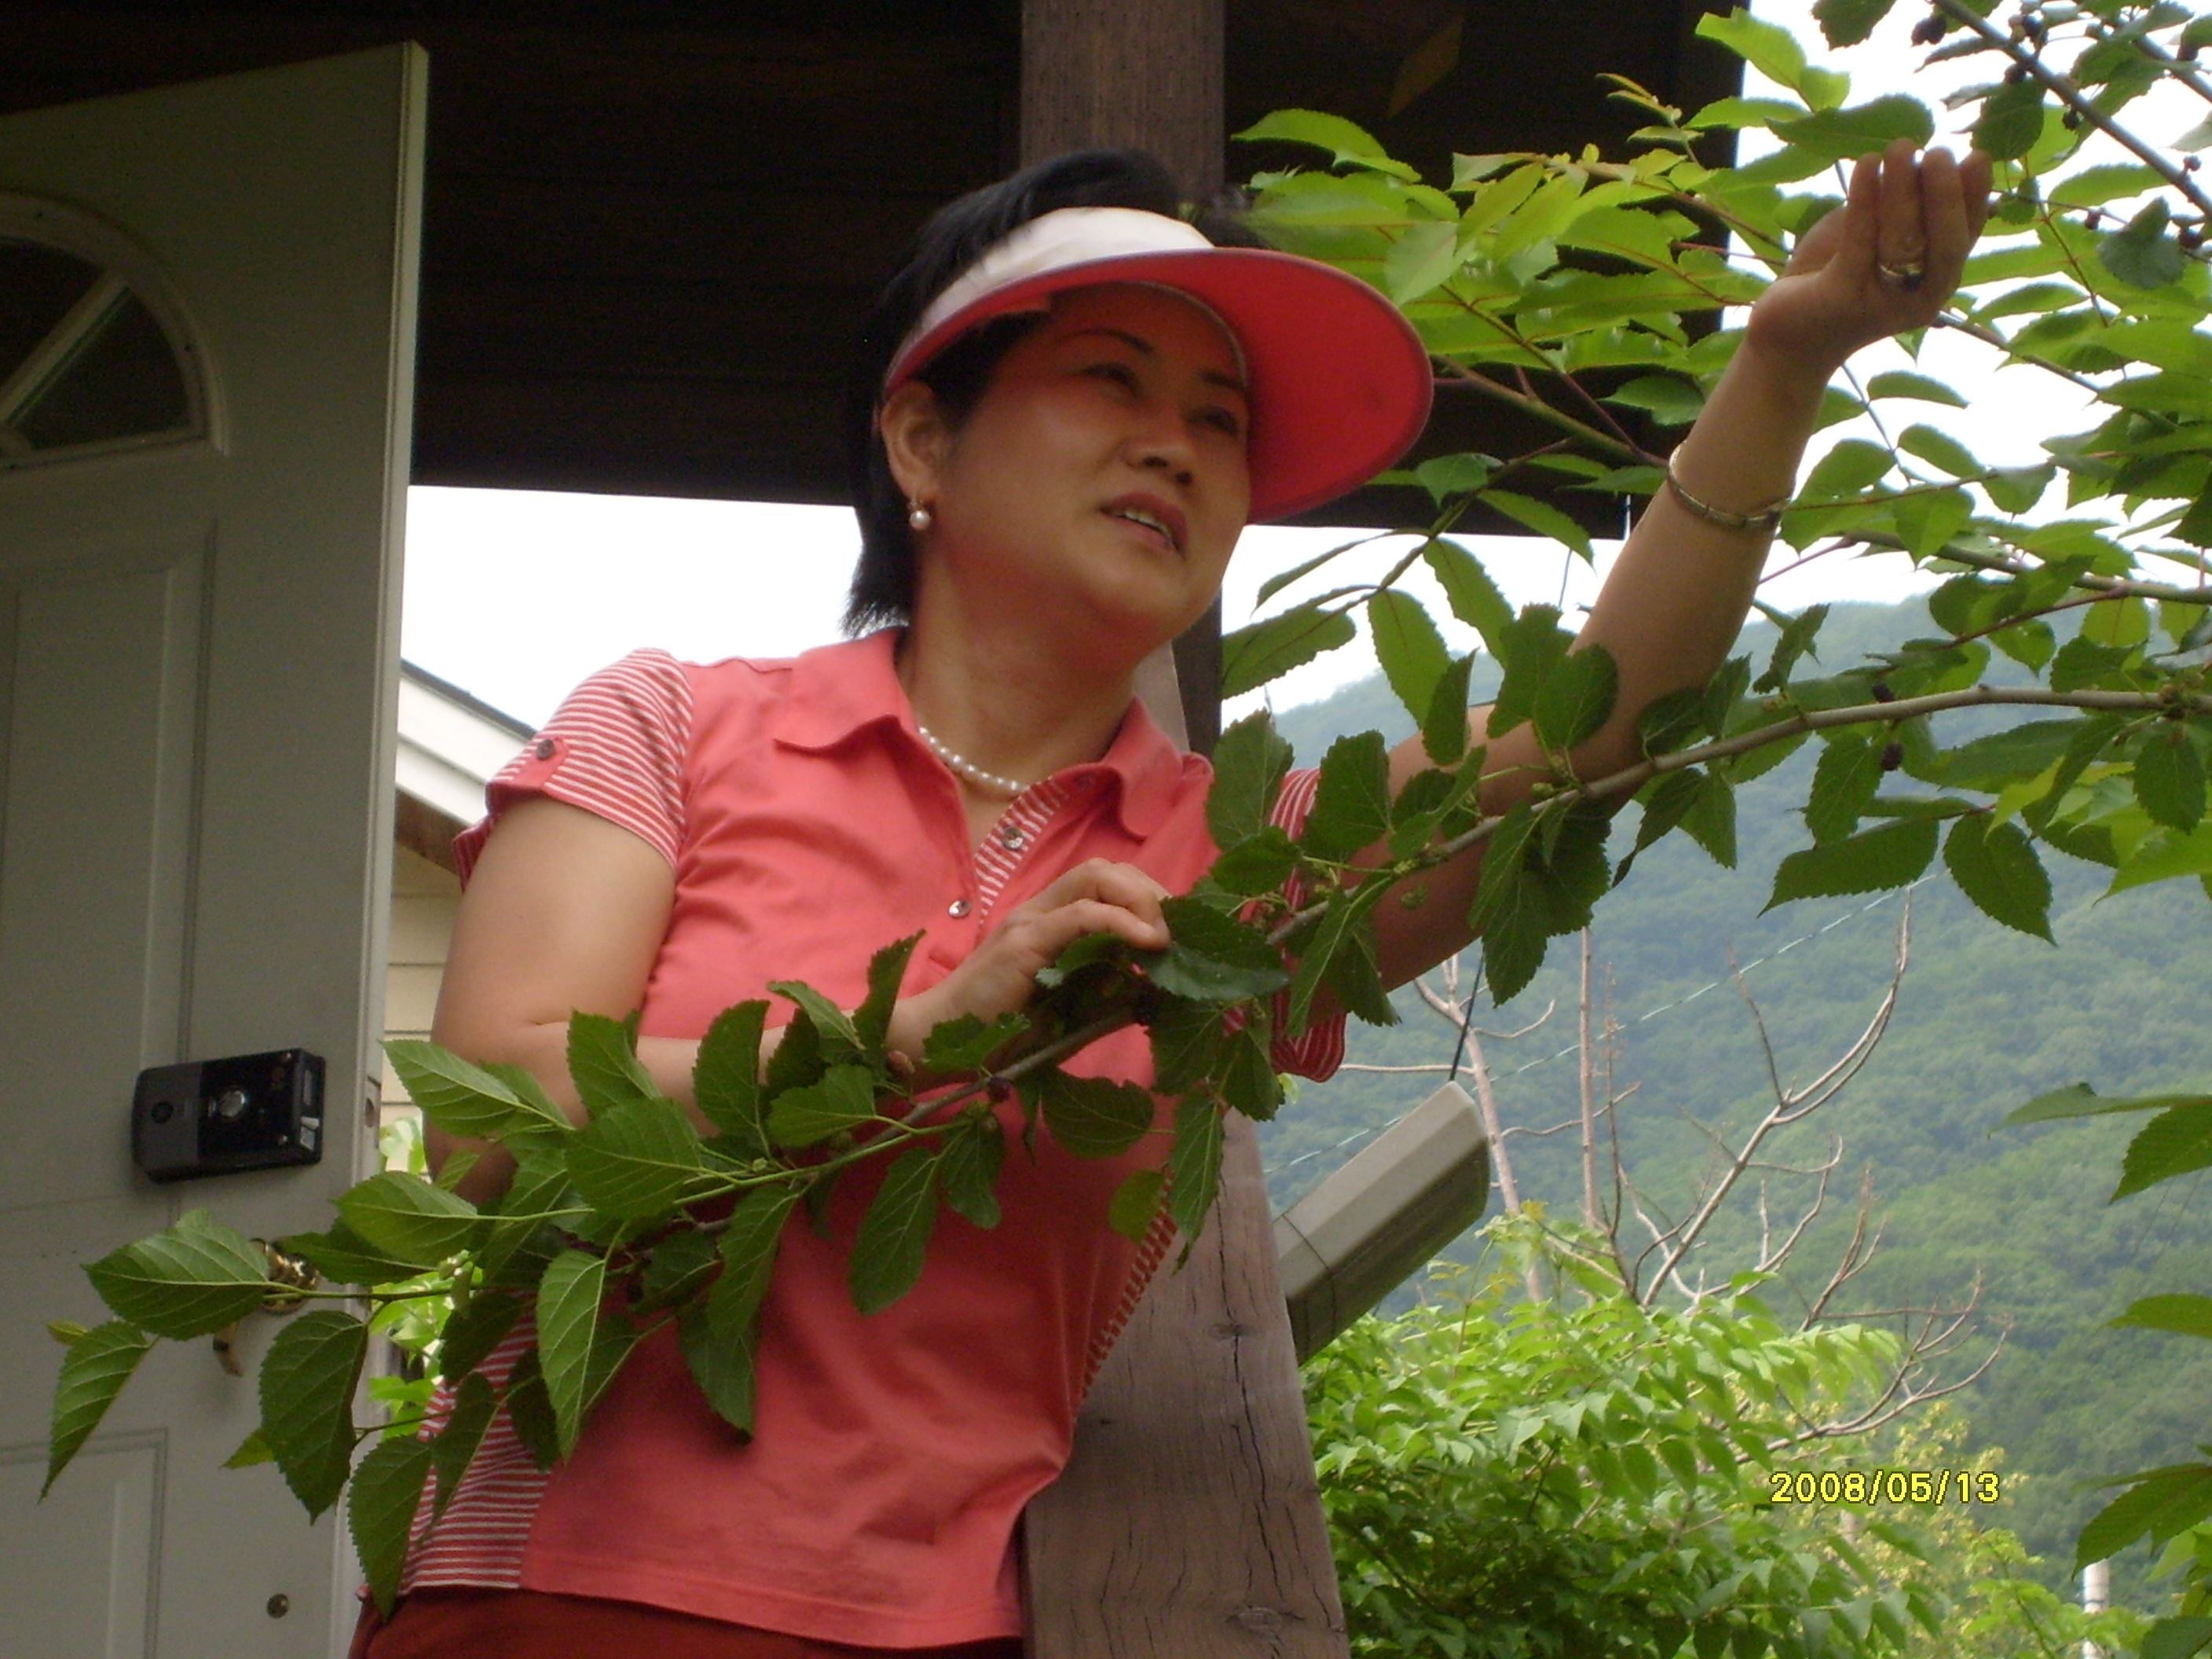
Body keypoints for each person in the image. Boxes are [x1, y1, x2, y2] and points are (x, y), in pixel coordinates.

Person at [357, 141, 1991, 1657]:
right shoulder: (674, 728)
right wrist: (905, 1037)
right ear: (923, 438)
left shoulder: (1232, 873)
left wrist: (1781, 368)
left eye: (1221, 420)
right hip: (543, 1598)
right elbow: (494, 1119)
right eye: (1110, 379)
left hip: (943, 1630)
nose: (1176, 444)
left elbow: (1587, 729)